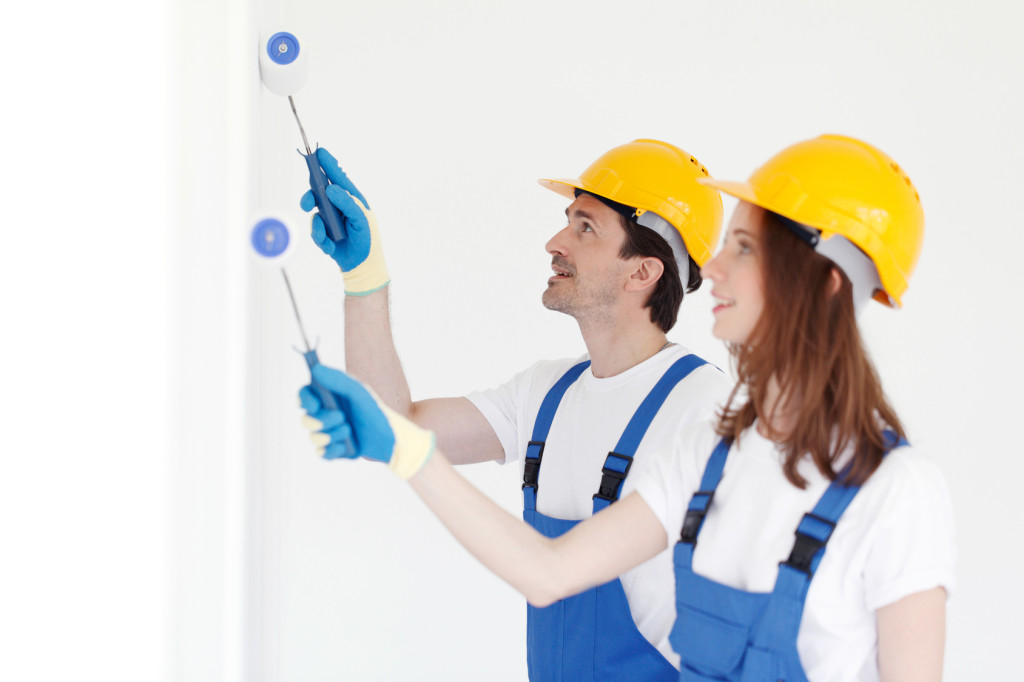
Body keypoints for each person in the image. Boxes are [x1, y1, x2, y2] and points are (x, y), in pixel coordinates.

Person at [301, 134, 955, 680]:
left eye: (745, 248)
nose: (716, 268)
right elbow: (545, 571)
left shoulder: (892, 491)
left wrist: (407, 450)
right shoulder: (713, 453)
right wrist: (367, 284)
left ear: (827, 283)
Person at [300, 139, 733, 679]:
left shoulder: (705, 411)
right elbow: (393, 426)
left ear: (643, 272)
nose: (555, 242)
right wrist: (365, 277)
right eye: (566, 222)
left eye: (585, 228)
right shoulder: (547, 395)